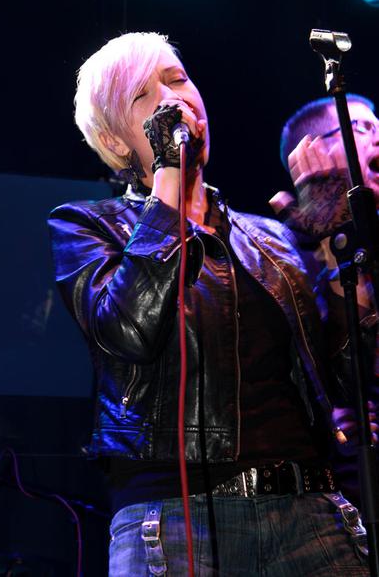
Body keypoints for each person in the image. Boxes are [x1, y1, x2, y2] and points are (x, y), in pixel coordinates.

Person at [48, 33, 370, 576]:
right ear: (116, 141)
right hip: (175, 522)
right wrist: (169, 174)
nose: (173, 98)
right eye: (142, 95)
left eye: (177, 79)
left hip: (309, 514)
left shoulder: (273, 239)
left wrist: (339, 252)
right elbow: (130, 329)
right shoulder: (87, 226)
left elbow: (346, 381)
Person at [272, 94, 379, 507]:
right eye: (362, 129)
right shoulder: (284, 252)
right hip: (344, 493)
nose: (377, 138)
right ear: (313, 152)